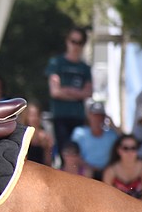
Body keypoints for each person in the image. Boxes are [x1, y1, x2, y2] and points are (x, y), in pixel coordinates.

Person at [46, 27, 92, 163]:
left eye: (80, 42)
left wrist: (66, 90)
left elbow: (88, 92)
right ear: (67, 41)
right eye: (73, 41)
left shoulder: (85, 68)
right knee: (63, 152)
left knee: (78, 153)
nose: (76, 46)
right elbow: (55, 91)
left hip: (78, 117)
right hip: (60, 116)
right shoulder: (56, 63)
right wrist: (77, 94)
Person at [70, 101, 118, 180]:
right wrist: (89, 168)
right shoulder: (79, 133)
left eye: (100, 115)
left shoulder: (112, 135)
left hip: (107, 171)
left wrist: (112, 124)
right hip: (85, 172)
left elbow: (124, 141)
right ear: (89, 116)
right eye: (95, 115)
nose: (98, 118)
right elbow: (74, 153)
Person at [102, 134, 142, 205]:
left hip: (140, 211)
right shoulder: (110, 172)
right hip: (117, 210)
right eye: (126, 148)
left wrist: (131, 208)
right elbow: (107, 197)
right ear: (119, 150)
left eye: (133, 148)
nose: (130, 152)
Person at [21, 101, 53, 166]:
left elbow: (48, 162)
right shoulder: (22, 136)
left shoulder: (44, 137)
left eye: (36, 115)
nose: (34, 118)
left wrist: (47, 148)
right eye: (32, 115)